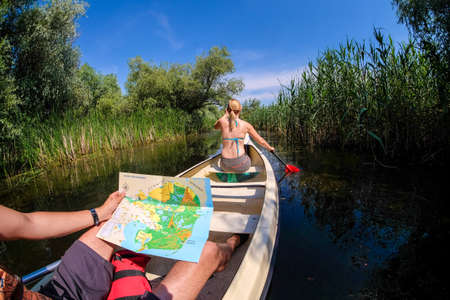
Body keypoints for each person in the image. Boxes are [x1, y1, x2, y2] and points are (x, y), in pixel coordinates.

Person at [0, 192, 244, 300]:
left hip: (52, 294)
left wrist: (100, 213)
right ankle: (233, 243)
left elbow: (26, 222)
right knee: (208, 251)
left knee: (113, 224)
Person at [214, 98, 275, 172]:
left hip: (225, 165)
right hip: (240, 165)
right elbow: (260, 140)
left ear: (227, 110)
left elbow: (215, 127)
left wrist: (225, 115)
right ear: (240, 109)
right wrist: (269, 148)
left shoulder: (222, 121)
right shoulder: (246, 125)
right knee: (247, 152)